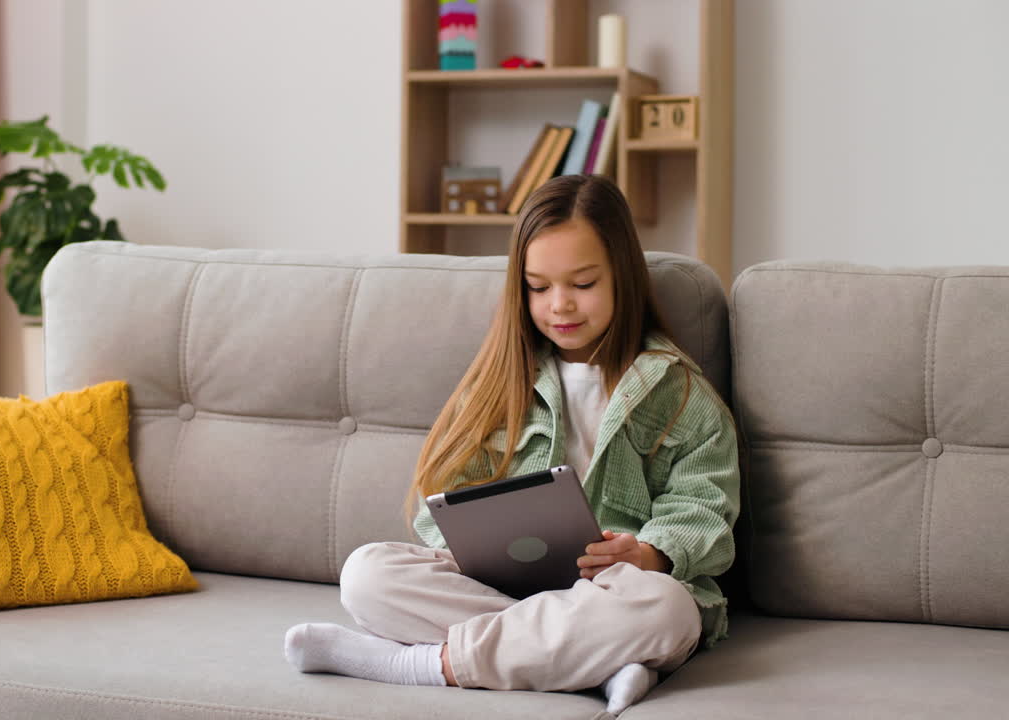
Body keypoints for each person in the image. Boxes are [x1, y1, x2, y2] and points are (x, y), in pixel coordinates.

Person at [284, 174, 740, 713]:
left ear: (624, 277)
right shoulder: (497, 384)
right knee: (366, 574)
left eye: (584, 283)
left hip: (620, 593)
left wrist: (647, 553)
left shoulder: (679, 392)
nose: (560, 306)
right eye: (539, 287)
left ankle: (425, 666)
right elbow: (442, 500)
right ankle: (594, 664)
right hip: (505, 589)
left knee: (667, 611)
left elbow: (704, 507)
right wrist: (477, 545)